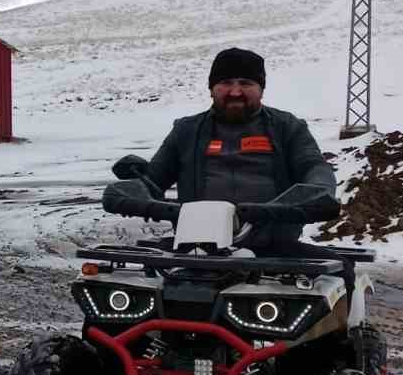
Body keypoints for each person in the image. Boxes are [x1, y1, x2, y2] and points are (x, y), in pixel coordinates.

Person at [113, 47, 337, 249]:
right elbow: (153, 179)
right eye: (226, 83)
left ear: (261, 89)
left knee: (340, 277)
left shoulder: (287, 127)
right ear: (212, 88)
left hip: (275, 249)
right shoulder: (186, 130)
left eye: (246, 83)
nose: (235, 92)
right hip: (196, 249)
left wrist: (319, 188)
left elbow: (313, 165)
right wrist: (133, 192)